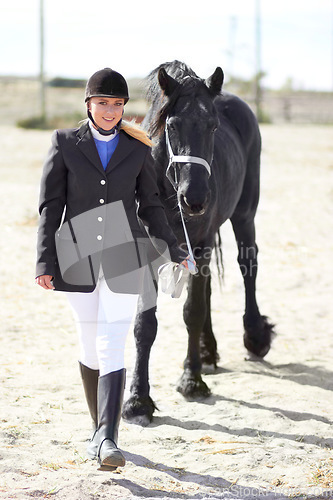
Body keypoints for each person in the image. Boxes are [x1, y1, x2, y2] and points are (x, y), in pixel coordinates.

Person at [35, 68, 193, 471]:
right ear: (88, 104)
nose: (110, 110)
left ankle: (108, 436)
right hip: (75, 252)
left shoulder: (138, 148)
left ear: (125, 107)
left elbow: (152, 205)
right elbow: (50, 207)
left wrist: (175, 249)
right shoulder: (65, 143)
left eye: (118, 104)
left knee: (112, 343)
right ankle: (97, 428)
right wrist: (44, 261)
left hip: (126, 254)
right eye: (103, 103)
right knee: (89, 345)